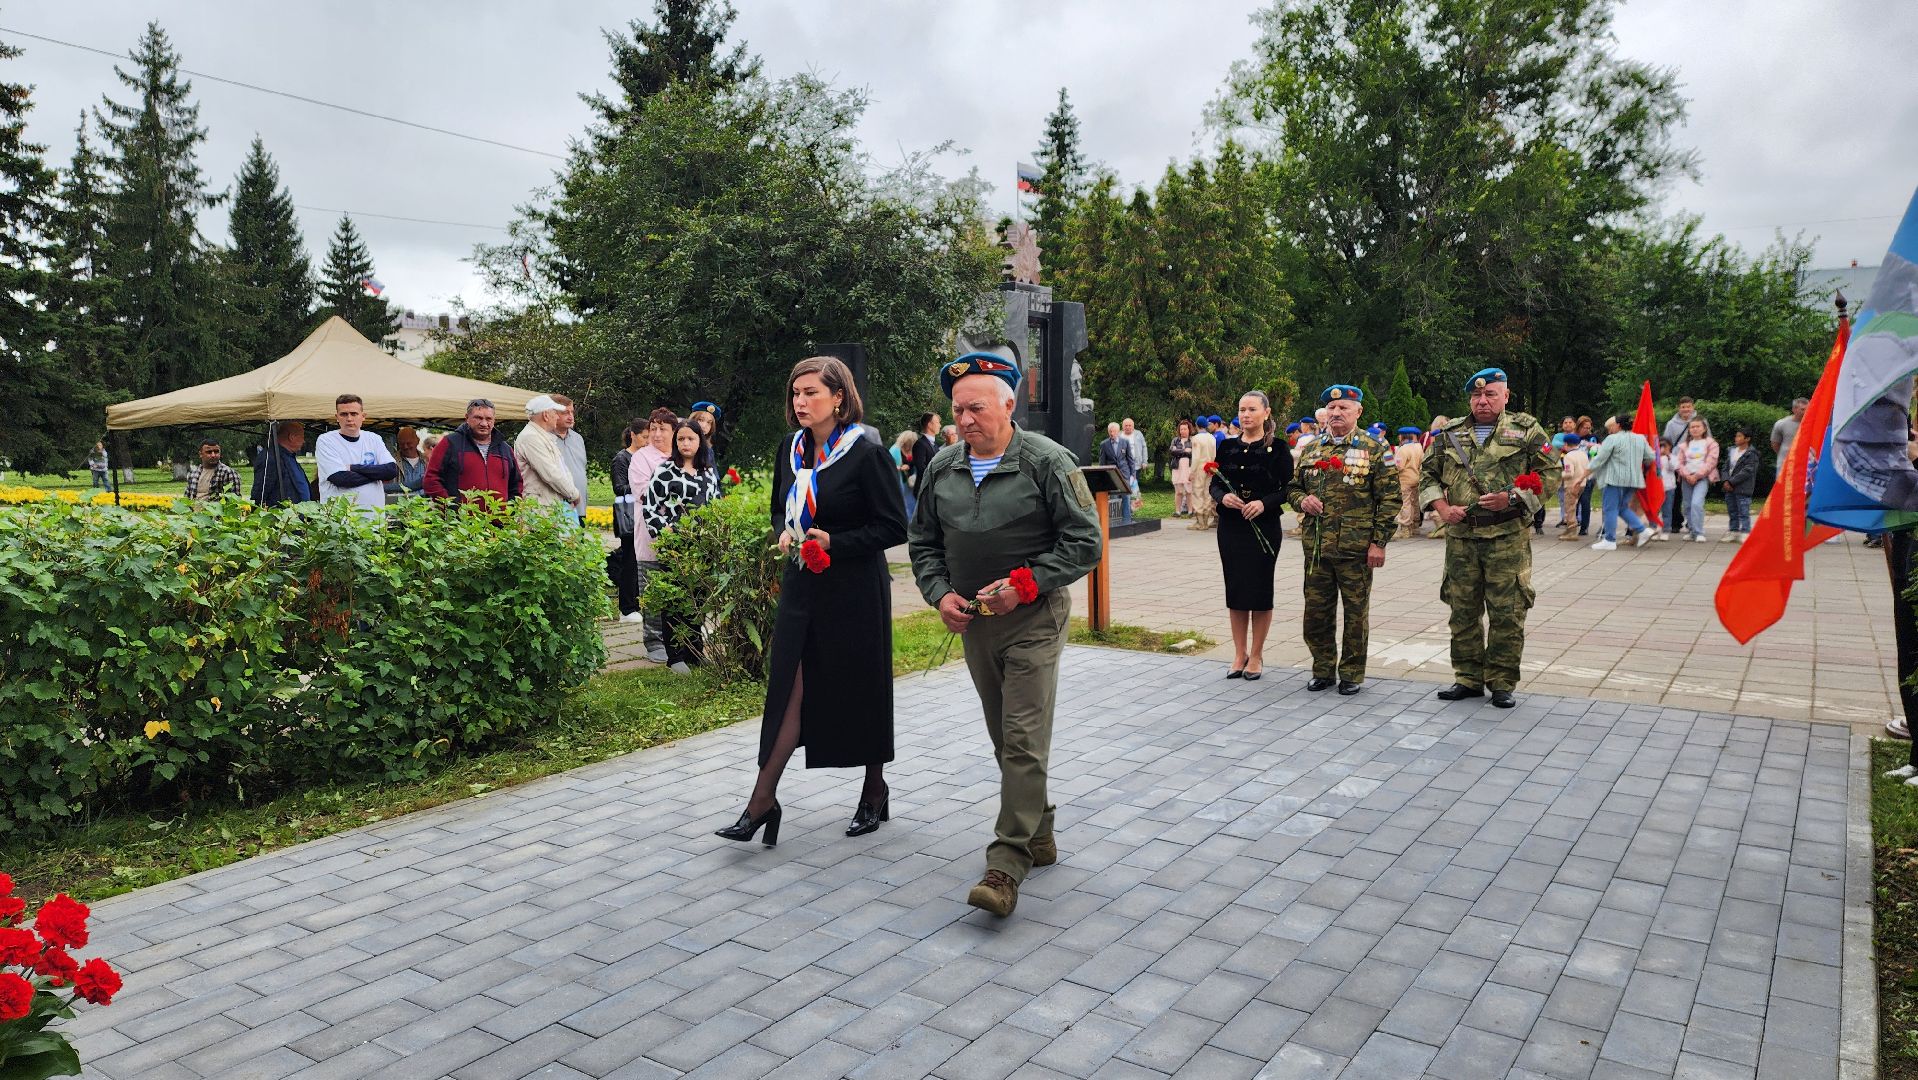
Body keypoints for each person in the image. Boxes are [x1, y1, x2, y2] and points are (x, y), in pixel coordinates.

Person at [909, 351, 1101, 917]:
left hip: (1034, 620)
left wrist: (1029, 584)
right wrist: (939, 594)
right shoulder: (942, 468)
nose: (965, 419)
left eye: (977, 408)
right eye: (957, 409)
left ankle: (1006, 863)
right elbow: (922, 543)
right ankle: (1038, 832)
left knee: (1022, 737)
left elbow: (1084, 541)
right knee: (1005, 738)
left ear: (1008, 405)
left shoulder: (1046, 462)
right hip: (976, 624)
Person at [718, 357, 907, 849]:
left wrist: (835, 543)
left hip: (855, 588)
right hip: (802, 584)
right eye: (795, 394)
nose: (800, 402)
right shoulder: (790, 448)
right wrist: (784, 531)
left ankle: (873, 790)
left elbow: (893, 526)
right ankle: (762, 801)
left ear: (839, 397)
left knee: (861, 684)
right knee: (790, 686)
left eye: (811, 393)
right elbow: (780, 506)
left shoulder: (866, 453)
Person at [1421, 368, 1559, 708]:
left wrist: (1512, 498)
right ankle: (1467, 678)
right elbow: (1428, 473)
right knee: (1462, 611)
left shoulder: (1526, 430)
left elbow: (1551, 472)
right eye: (1477, 396)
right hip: (1462, 538)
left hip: (1506, 538)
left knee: (1507, 613)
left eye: (1491, 394)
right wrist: (1441, 506)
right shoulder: (1450, 432)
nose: (1483, 401)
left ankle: (1501, 681)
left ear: (1506, 396)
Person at [1289, 385, 1395, 694]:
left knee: (1355, 615)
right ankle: (1322, 669)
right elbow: (1292, 487)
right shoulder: (1311, 449)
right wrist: (1302, 501)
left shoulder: (1375, 449)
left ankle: (1351, 673)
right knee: (1316, 614)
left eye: (1344, 409)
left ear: (1358, 412)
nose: (1336, 413)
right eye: (1332, 409)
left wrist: (1379, 543)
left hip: (1356, 549)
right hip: (1317, 549)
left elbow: (1389, 499)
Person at [1212, 390, 1294, 681]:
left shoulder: (1279, 448)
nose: (1245, 415)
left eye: (1251, 410)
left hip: (1265, 526)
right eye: (1241, 410)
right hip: (1232, 527)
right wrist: (1223, 498)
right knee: (1235, 589)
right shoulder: (1226, 447)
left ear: (1266, 413)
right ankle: (1239, 653)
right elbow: (1215, 483)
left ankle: (1256, 655)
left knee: (1259, 590)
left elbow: (1288, 488)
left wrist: (1264, 503)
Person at [645, 421, 723, 673]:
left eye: (690, 439)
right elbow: (649, 506)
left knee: (697, 599)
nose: (686, 444)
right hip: (675, 547)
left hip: (701, 547)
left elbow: (717, 504)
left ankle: (694, 651)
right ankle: (675, 656)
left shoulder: (708, 472)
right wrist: (665, 530)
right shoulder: (665, 470)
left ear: (700, 441)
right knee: (675, 600)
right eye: (681, 440)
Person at [627, 408, 677, 662]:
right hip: (652, 537)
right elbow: (645, 494)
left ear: (674, 431)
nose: (657, 434)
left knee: (680, 591)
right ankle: (654, 641)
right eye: (653, 429)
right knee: (653, 591)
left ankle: (682, 641)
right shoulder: (641, 459)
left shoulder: (683, 455)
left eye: (663, 429)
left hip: (681, 539)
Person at [424, 399, 522, 506]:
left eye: (488, 419)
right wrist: (450, 508)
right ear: (467, 418)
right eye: (478, 418)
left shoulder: (505, 449)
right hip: (461, 521)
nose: (484, 423)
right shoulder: (450, 443)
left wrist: (510, 511)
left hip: (500, 520)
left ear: (494, 420)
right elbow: (431, 480)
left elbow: (516, 485)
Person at [315, 395, 396, 511]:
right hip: (341, 521)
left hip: (375, 519)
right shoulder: (326, 440)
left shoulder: (374, 439)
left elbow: (391, 470)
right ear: (336, 417)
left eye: (354, 414)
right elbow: (341, 479)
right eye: (344, 414)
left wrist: (353, 467)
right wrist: (377, 474)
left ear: (363, 416)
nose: (349, 418)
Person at [1587, 414, 1655, 550]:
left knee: (1610, 509)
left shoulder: (1612, 439)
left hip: (1614, 479)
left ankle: (1610, 540)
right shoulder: (1640, 438)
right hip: (1633, 480)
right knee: (1622, 507)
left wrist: (1584, 473)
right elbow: (1651, 456)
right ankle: (1643, 530)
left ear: (1618, 425)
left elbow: (1599, 459)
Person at [516, 395, 582, 514]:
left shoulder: (543, 436)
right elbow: (551, 474)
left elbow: (562, 469)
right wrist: (574, 494)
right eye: (555, 413)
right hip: (539, 509)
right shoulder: (531, 438)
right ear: (546, 415)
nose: (557, 416)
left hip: (548, 506)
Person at [610, 423, 645, 623]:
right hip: (629, 515)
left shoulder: (645, 457)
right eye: (645, 436)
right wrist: (641, 485)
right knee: (630, 560)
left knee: (641, 561)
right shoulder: (622, 458)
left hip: (643, 514)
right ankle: (627, 607)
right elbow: (619, 487)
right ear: (633, 435)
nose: (648, 440)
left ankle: (639, 602)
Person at [1675, 415, 1719, 543]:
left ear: (1704, 428)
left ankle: (1699, 532)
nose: (1694, 429)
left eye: (1697, 426)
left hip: (1702, 478)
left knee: (1696, 504)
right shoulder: (1684, 445)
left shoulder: (1711, 444)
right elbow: (1679, 463)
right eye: (1692, 427)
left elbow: (1711, 462)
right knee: (1687, 506)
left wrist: (1697, 475)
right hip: (1686, 479)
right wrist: (1687, 475)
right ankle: (1692, 531)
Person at [252, 422, 314, 506]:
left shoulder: (289, 456)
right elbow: (260, 493)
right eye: (302, 437)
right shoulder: (270, 458)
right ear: (292, 437)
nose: (303, 441)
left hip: (298, 515)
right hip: (283, 516)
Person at [552, 394, 589, 525]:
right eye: (565, 412)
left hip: (579, 508)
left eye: (572, 412)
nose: (571, 416)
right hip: (557, 510)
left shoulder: (578, 439)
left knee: (580, 543)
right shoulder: (545, 439)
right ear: (553, 414)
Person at [1663, 398, 1698, 535]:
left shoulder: (1700, 421)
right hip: (1677, 462)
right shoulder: (1671, 424)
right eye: (1683, 407)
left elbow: (1708, 439)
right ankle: (1675, 522)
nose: (1686, 409)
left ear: (1692, 407)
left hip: (1695, 462)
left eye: (1688, 407)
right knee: (1676, 494)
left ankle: (1692, 522)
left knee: (1693, 495)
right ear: (1679, 408)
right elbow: (1666, 442)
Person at [1722, 427, 1759, 541]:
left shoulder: (1751, 454)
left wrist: (1731, 481)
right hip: (1729, 487)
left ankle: (1745, 531)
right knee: (1732, 510)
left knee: (1743, 511)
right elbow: (1725, 467)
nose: (1736, 438)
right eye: (1736, 436)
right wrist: (1725, 480)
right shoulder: (1732, 451)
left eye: (1739, 436)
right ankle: (1733, 531)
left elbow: (1747, 471)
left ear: (1747, 439)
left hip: (1743, 487)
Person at [1098, 422, 1137, 526]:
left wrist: (1133, 474)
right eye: (1110, 431)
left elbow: (1130, 459)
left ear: (1118, 431)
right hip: (1112, 475)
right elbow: (1102, 463)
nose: (1112, 433)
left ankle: (1127, 521)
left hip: (1125, 474)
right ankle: (1114, 522)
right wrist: (1103, 476)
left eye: (1114, 431)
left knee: (1126, 497)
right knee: (1114, 498)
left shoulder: (1125, 442)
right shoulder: (1104, 444)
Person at [1556, 434, 1589, 541]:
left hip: (1571, 485)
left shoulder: (1568, 456)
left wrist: (1560, 475)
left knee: (1569, 508)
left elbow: (1569, 473)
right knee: (1574, 506)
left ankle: (1571, 531)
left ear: (1566, 444)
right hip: (1582, 484)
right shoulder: (1583, 454)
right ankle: (1569, 529)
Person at [1394, 427, 1426, 538]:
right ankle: (1415, 526)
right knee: (1415, 503)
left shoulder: (1403, 449)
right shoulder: (1419, 447)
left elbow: (1399, 466)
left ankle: (1405, 528)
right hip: (1416, 478)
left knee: (1405, 503)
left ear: (1403, 436)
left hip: (1405, 479)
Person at [1187, 423, 1218, 530]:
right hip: (1210, 467)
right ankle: (1205, 521)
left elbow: (1195, 457)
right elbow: (1214, 454)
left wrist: (1191, 471)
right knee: (1207, 493)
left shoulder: (1196, 438)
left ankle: (1199, 522)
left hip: (1200, 468)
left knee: (1197, 493)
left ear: (1197, 425)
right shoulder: (1212, 437)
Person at [385, 427, 427, 498]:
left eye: (409, 443)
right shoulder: (391, 462)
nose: (405, 446)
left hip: (425, 506)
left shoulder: (427, 461)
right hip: (401, 506)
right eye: (402, 444)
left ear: (417, 441)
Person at [1772, 397, 1809, 474]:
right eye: (1802, 409)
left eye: (1807, 409)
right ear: (1794, 409)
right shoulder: (1781, 424)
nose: (1806, 411)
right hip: (1785, 464)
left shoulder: (1812, 424)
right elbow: (1775, 444)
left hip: (1805, 466)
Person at [890, 430, 919, 519]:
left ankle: (912, 523)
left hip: (911, 481)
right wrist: (899, 467)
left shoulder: (914, 449)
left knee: (912, 503)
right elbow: (888, 466)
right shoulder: (894, 450)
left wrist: (910, 466)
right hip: (899, 481)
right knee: (903, 503)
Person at [1169, 419, 1196, 516]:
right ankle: (1177, 511)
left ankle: (1190, 511)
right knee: (1178, 491)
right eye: (1181, 429)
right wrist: (1185, 451)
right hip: (1177, 468)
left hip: (1188, 468)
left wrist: (1179, 451)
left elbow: (1194, 453)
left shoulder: (1193, 440)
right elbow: (1172, 451)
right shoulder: (1175, 440)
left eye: (1185, 429)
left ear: (1189, 430)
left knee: (1189, 491)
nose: (1183, 431)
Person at [910, 411, 940, 499]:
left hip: (932, 490)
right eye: (937, 422)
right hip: (924, 490)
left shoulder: (935, 445)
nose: (940, 425)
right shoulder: (920, 444)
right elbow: (921, 468)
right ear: (930, 425)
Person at [1122, 417, 1148, 510]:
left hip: (1136, 465)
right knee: (1125, 485)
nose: (1128, 427)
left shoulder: (1138, 434)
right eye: (1126, 425)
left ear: (1133, 426)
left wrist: (1144, 461)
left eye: (1130, 425)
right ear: (1123, 427)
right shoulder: (1120, 435)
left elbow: (1144, 447)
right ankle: (1126, 505)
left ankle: (1133, 506)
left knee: (1134, 485)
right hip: (1124, 466)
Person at [1654, 437, 1677, 540]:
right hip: (1655, 487)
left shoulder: (1672, 457)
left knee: (1667, 510)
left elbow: (1674, 467)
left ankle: (1666, 530)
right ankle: (1653, 529)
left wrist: (1668, 456)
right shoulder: (1654, 456)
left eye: (1665, 445)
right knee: (1654, 510)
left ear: (1670, 447)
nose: (1662, 448)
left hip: (1668, 487)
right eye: (1660, 445)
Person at [689, 401, 721, 468]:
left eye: (709, 423)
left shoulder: (709, 450)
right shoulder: (679, 442)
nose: (704, 426)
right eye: (700, 420)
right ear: (692, 419)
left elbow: (714, 476)